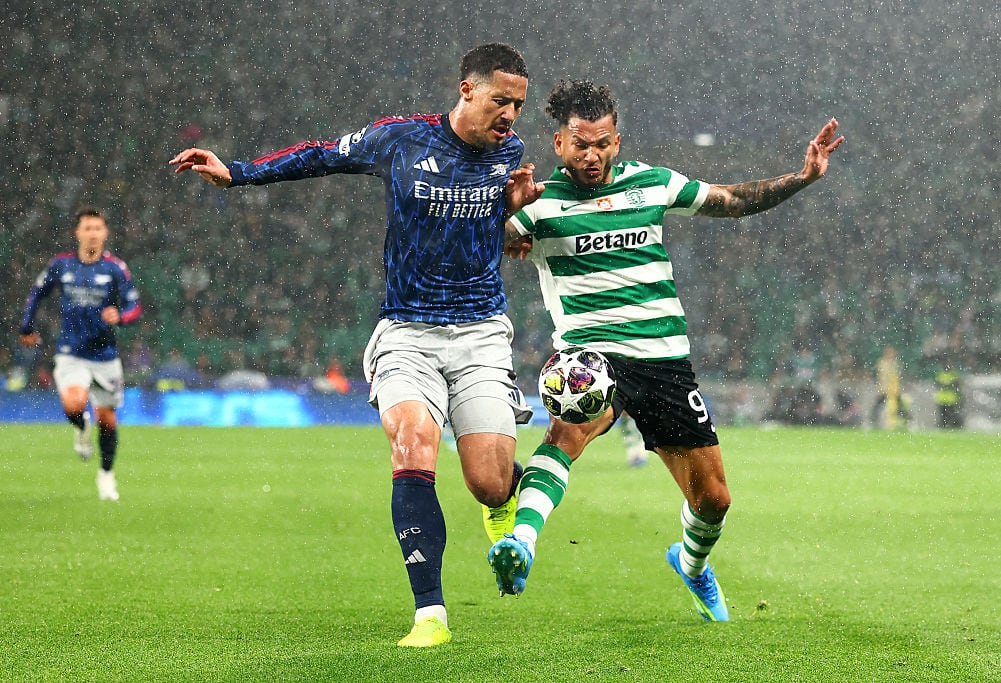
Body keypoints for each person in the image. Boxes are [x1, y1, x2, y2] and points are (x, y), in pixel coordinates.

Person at [170, 43, 544, 647]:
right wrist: (237, 171)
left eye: (518, 106)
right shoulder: (402, 139)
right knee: (413, 445)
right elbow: (322, 155)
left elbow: (483, 231)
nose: (510, 117)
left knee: (489, 483)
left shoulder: (512, 154)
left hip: (479, 333)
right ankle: (431, 616)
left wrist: (510, 216)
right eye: (500, 101)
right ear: (466, 90)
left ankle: (501, 498)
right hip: (407, 331)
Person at [490, 80, 843, 622]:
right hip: (591, 356)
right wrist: (498, 221)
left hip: (665, 361)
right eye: (580, 144)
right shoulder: (537, 205)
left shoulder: (652, 185)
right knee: (567, 432)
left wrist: (801, 177)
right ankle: (521, 541)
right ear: (558, 144)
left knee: (715, 501)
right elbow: (465, 245)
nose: (592, 155)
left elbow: (731, 201)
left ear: (618, 140)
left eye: (603, 143)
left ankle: (692, 563)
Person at [18, 208, 142, 501]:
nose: (93, 233)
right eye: (87, 228)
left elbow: (134, 306)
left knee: (108, 421)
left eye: (98, 228)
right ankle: (81, 426)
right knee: (75, 405)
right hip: (71, 352)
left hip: (105, 355)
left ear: (105, 233)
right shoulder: (61, 266)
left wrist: (121, 317)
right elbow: (37, 293)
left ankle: (106, 475)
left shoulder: (115, 268)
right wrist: (26, 325)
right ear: (78, 233)